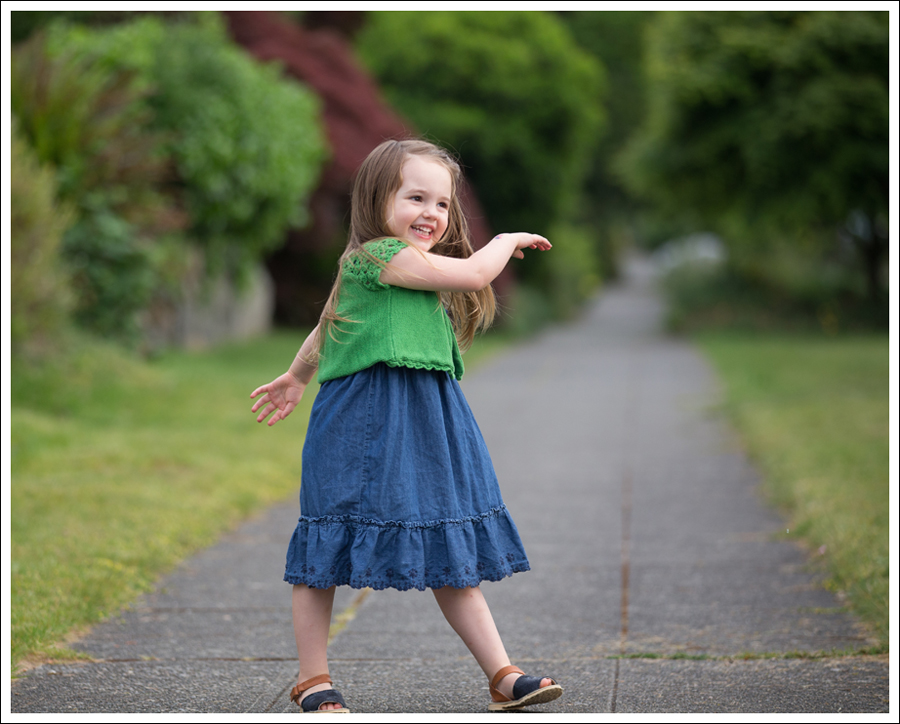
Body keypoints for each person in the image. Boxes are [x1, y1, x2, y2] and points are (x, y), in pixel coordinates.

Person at [250, 139, 561, 713]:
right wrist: (506, 240)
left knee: (449, 545)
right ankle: (313, 680)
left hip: (428, 417)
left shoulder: (407, 267)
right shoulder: (376, 258)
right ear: (377, 200)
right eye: (416, 197)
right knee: (328, 544)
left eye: (442, 204)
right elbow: (472, 275)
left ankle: (502, 674)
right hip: (361, 422)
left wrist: (296, 373)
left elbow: (329, 324)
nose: (432, 214)